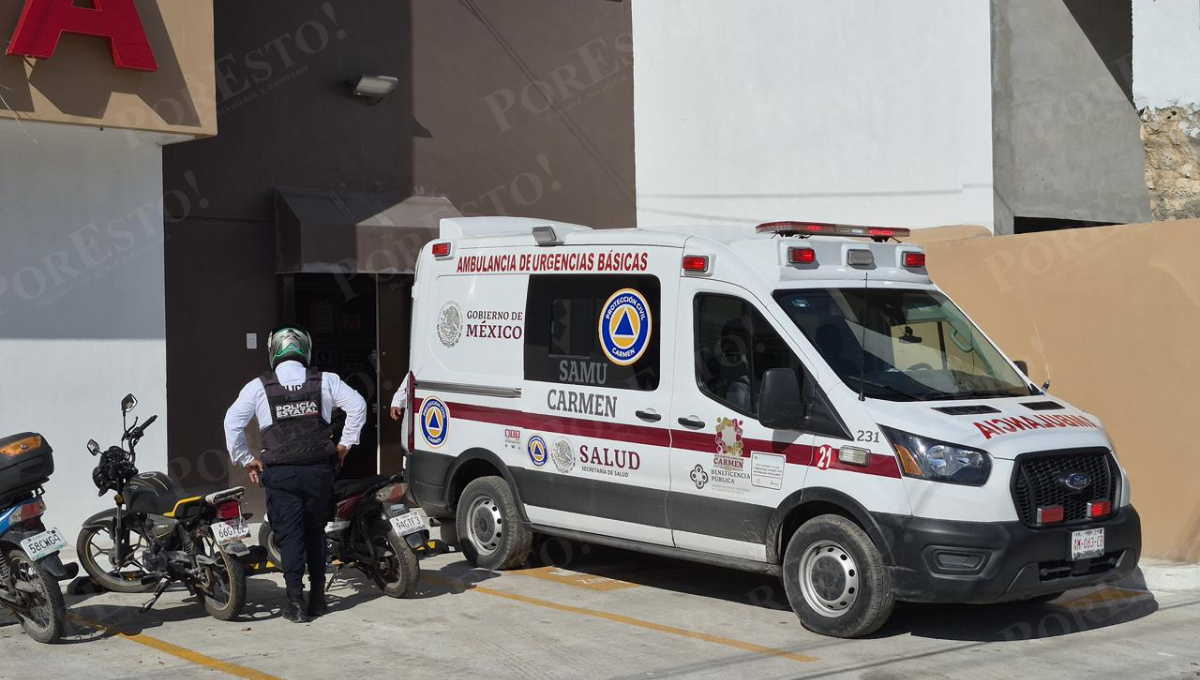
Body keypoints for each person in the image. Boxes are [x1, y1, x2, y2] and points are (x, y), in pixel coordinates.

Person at [223, 326, 366, 623]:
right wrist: (344, 446)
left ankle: (296, 604)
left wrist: (246, 460)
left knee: (290, 537)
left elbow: (232, 422)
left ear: (274, 351)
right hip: (319, 471)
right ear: (305, 350)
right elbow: (358, 405)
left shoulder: (258, 386)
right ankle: (318, 599)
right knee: (315, 533)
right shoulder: (326, 381)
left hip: (282, 474)